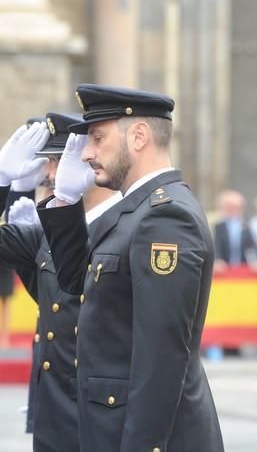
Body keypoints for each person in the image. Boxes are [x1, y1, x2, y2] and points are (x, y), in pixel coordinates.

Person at [36, 84, 224, 452]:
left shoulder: (165, 217)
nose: (87, 154)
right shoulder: (134, 213)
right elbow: (75, 282)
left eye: (97, 138)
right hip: (108, 429)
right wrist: (64, 202)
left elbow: (161, 358)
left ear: (138, 136)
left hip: (142, 437)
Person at [0, 113, 121, 452]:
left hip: (101, 409)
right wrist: (0, 180)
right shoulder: (47, 229)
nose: (48, 174)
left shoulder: (124, 226)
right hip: (54, 407)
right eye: (48, 164)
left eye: (57, 163)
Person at [212, 189, 246, 271]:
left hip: (243, 269)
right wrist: (217, 260)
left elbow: (250, 248)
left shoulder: (246, 225)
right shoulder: (216, 224)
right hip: (223, 270)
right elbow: (215, 245)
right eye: (229, 206)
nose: (233, 209)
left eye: (236, 207)